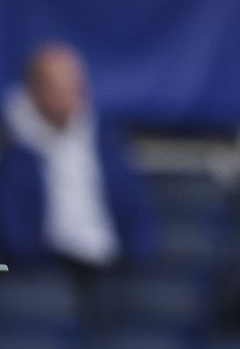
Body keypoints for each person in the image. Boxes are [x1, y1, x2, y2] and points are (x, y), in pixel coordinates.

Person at [0, 41, 156, 272]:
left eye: (74, 85)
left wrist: (136, 251)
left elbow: (134, 204)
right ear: (34, 90)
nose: (68, 95)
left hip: (111, 263)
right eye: (57, 87)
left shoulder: (107, 139)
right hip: (40, 266)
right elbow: (10, 220)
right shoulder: (9, 142)